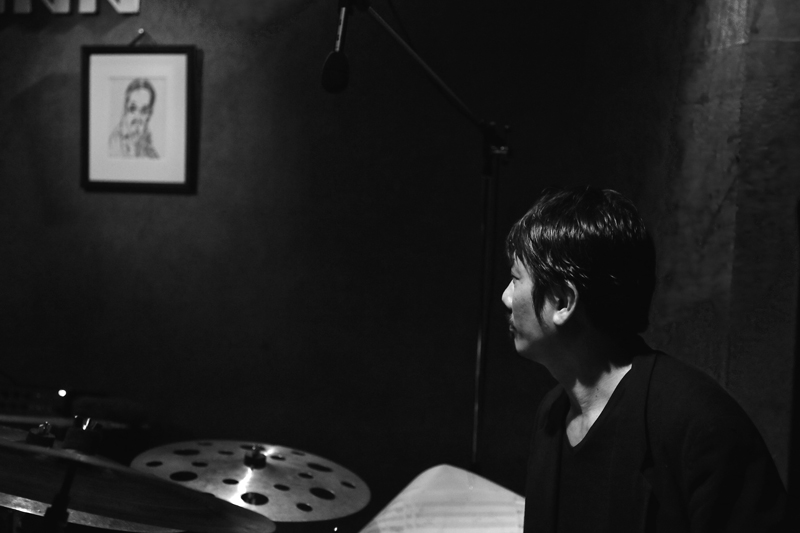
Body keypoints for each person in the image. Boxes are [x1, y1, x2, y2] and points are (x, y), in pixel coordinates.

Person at [502, 186, 787, 532]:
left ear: (563, 302)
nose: (506, 297)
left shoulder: (699, 424)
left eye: (515, 279)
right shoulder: (552, 412)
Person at [108, 78, 159, 159]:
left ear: (149, 114)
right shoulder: (112, 145)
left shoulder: (151, 154)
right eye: (133, 109)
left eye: (144, 111)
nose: (137, 116)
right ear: (125, 109)